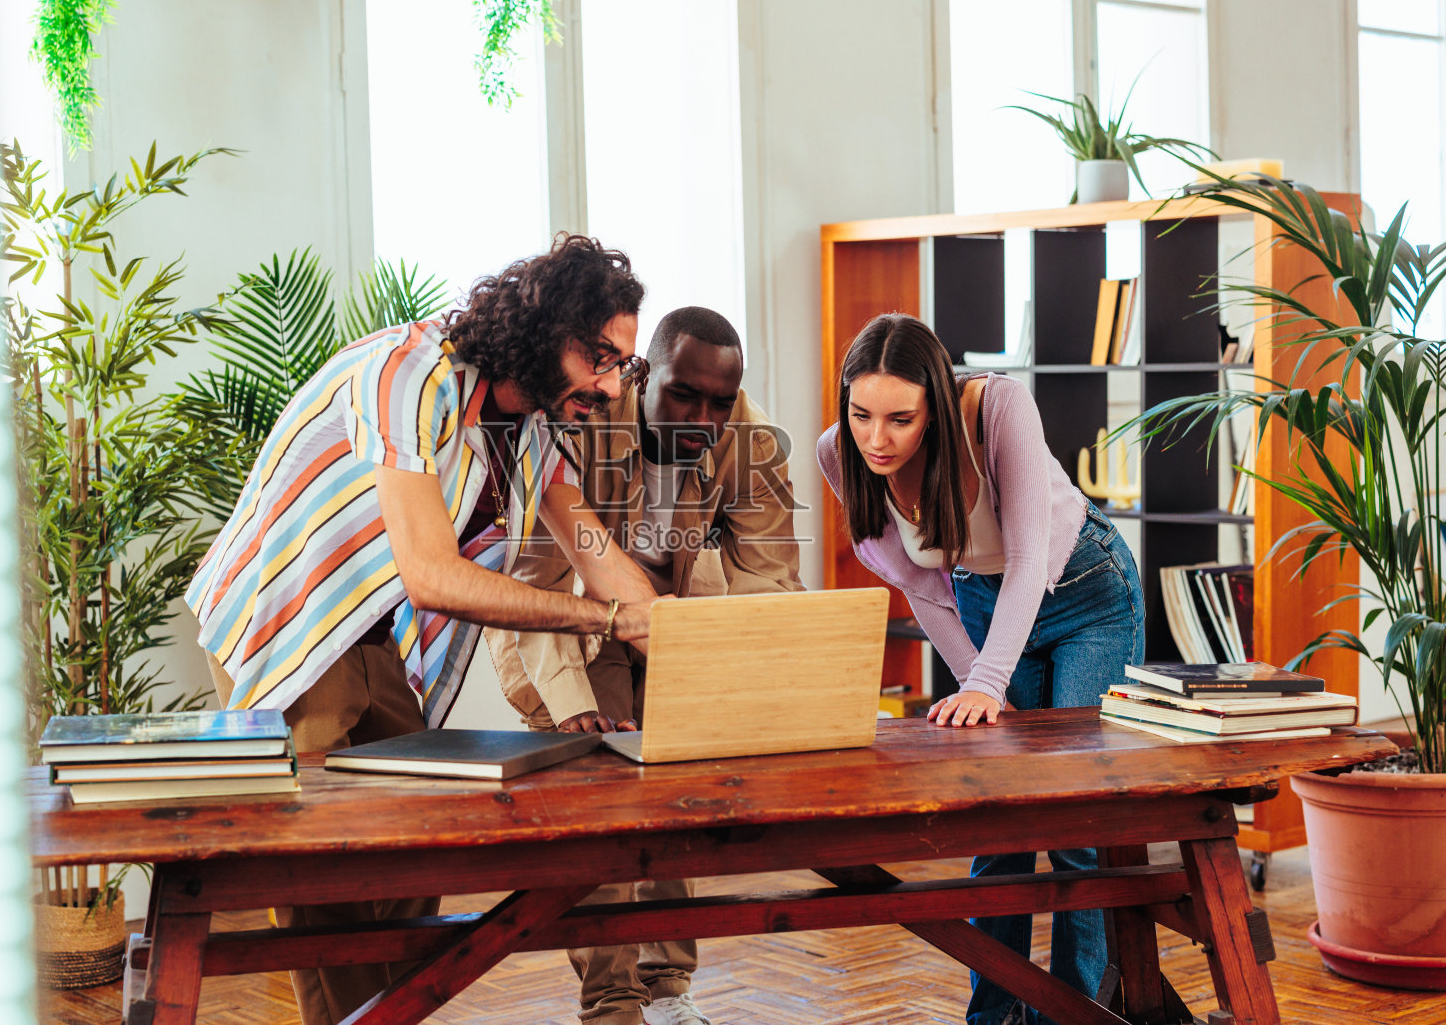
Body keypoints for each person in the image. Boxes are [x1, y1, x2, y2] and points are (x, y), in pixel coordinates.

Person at [186, 234, 668, 1025]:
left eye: (626, 365)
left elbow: (592, 547)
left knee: (415, 845)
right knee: (328, 881)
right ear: (548, 332)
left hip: (367, 631)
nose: (613, 387)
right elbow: (432, 575)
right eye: (601, 358)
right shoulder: (411, 375)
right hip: (287, 620)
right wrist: (611, 617)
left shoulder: (535, 424)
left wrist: (688, 637)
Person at [815, 313, 1144, 1025]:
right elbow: (924, 587)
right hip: (984, 604)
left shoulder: (996, 406)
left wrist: (988, 682)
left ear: (933, 401)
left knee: (1072, 822)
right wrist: (978, 683)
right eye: (861, 414)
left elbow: (1028, 556)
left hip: (1085, 593)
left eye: (900, 419)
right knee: (1001, 825)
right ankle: (994, 1016)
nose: (878, 439)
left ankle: (1075, 1011)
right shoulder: (838, 455)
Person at [486, 306, 803, 1025]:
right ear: (640, 373)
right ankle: (611, 1004)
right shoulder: (579, 425)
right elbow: (531, 582)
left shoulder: (749, 441)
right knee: (596, 810)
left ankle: (667, 991)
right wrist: (567, 701)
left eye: (721, 401)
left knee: (674, 802)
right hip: (570, 622)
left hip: (674, 619)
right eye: (684, 395)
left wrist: (771, 686)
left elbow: (769, 577)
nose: (703, 417)